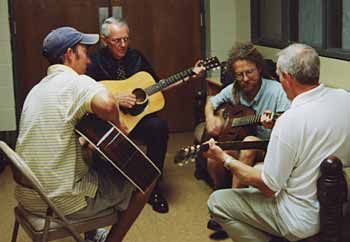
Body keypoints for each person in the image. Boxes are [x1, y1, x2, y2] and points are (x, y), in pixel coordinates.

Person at [15, 26, 155, 242]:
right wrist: (118, 124)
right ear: (70, 54)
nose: (88, 61)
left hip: (29, 195)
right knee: (146, 178)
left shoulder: (36, 89)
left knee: (89, 161)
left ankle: (91, 235)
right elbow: (107, 103)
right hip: (59, 202)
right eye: (85, 53)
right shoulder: (76, 82)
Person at [205, 43, 350, 242]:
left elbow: (268, 186)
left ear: (288, 78)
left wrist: (224, 158)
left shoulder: (288, 120)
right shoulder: (345, 99)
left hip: (299, 220)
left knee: (217, 201)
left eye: (280, 76)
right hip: (337, 209)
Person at [87, 17, 190, 213]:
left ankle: (152, 187)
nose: (123, 45)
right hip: (105, 120)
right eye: (117, 40)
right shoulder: (94, 62)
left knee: (158, 127)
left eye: (126, 39)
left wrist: (188, 76)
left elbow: (157, 85)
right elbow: (85, 95)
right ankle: (107, 190)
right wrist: (115, 99)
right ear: (104, 39)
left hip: (135, 118)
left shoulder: (136, 57)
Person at [202, 42, 290, 190]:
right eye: (239, 75)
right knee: (214, 158)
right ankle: (220, 195)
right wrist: (210, 118)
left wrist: (274, 123)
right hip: (240, 143)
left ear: (259, 69)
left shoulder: (277, 91)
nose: (245, 79)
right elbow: (211, 102)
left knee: (249, 142)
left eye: (249, 72)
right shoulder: (234, 89)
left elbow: (288, 124)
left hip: (267, 145)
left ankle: (236, 200)